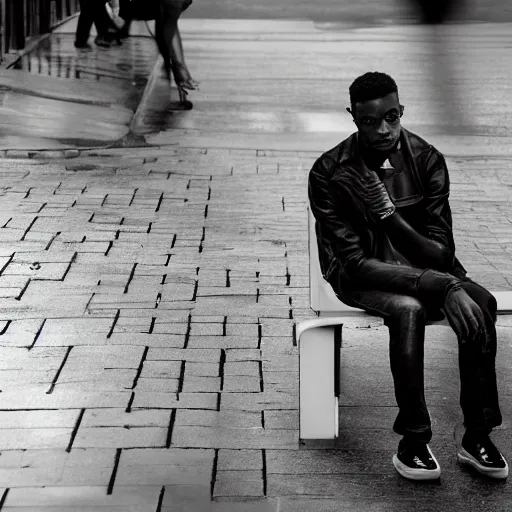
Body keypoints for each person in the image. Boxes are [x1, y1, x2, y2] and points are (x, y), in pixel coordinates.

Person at [308, 71, 508, 481]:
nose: (383, 129)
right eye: (370, 121)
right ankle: (413, 441)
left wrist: (388, 215)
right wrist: (442, 283)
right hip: (362, 276)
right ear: (354, 117)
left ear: (402, 110)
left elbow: (441, 253)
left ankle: (478, 436)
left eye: (393, 117)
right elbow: (354, 264)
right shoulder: (329, 170)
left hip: (430, 271)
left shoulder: (427, 158)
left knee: (482, 301)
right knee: (408, 308)